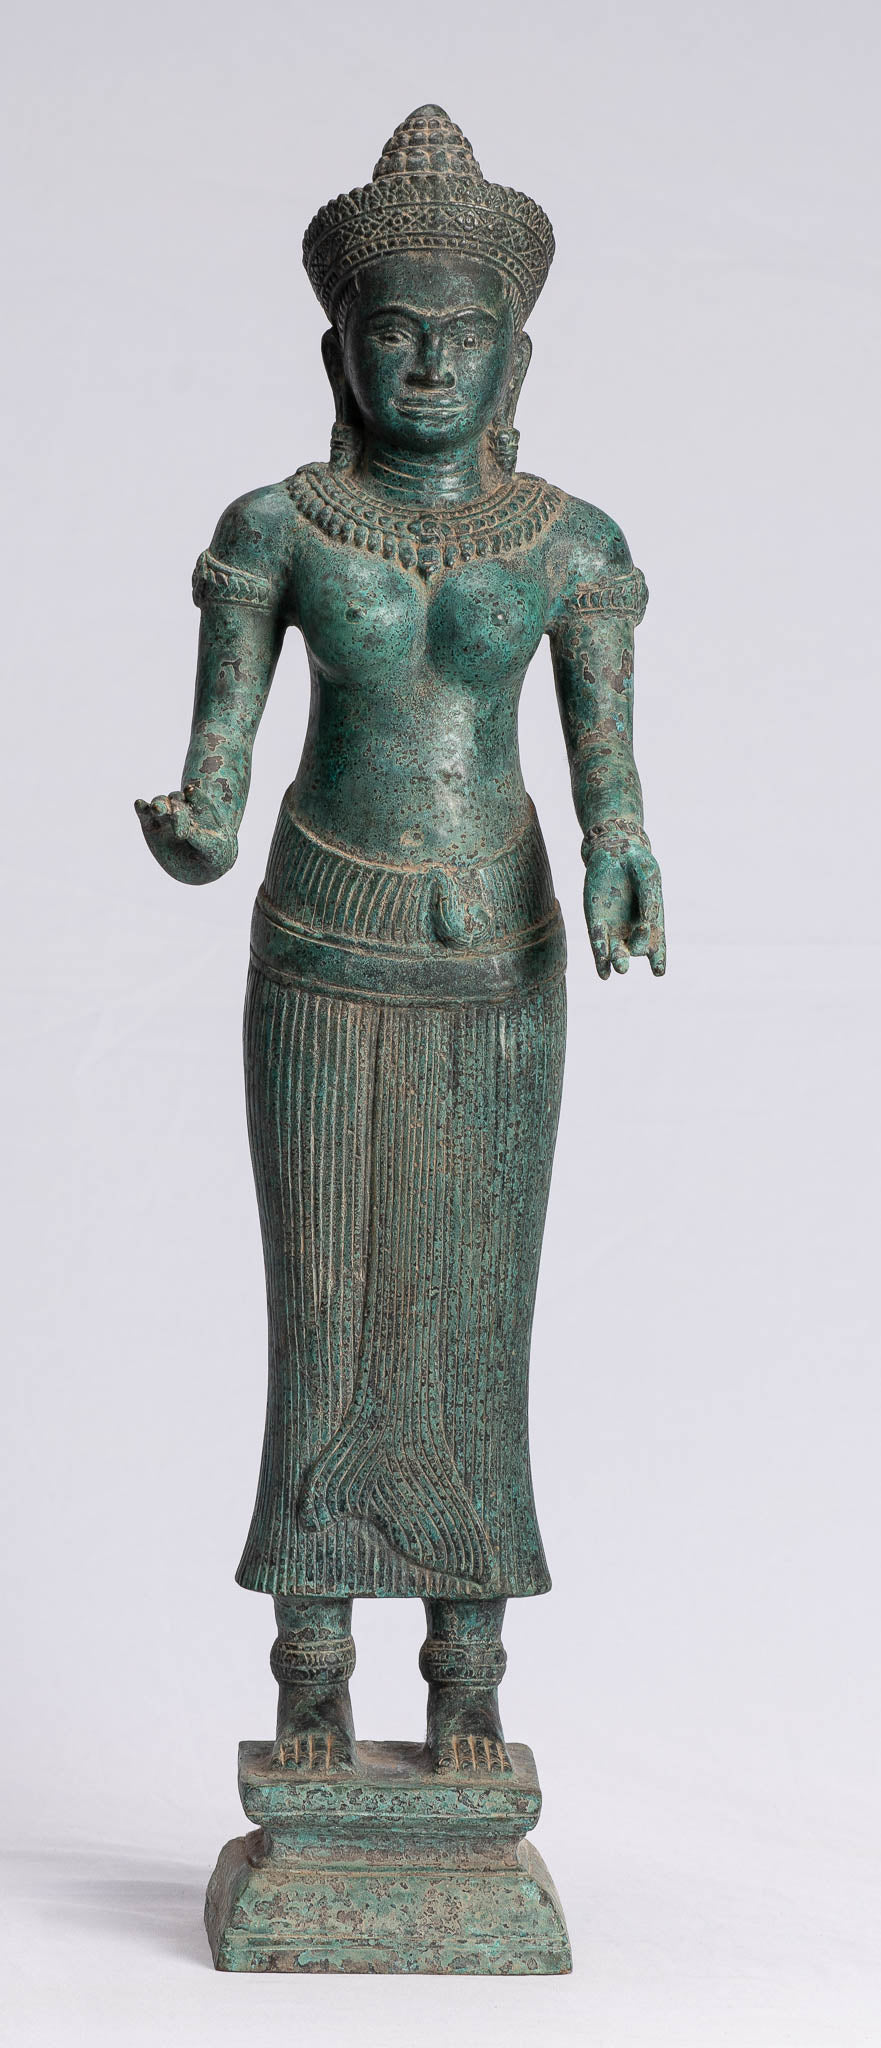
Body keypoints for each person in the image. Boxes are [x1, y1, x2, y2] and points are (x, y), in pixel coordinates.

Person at [136, 106, 665, 1777]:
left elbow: (607, 776)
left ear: (515, 357)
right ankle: (309, 1667)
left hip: (492, 940)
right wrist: (197, 824)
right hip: (320, 931)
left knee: (470, 1312)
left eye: (460, 335)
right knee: (327, 1300)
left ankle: (465, 1671)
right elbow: (218, 768)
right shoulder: (280, 527)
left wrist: (625, 851)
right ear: (337, 351)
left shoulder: (567, 541)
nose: (426, 364)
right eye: (392, 334)